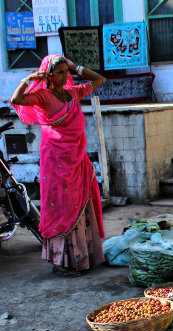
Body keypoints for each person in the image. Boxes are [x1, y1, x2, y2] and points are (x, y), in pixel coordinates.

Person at [10, 55, 106, 277]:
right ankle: (61, 262)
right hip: (56, 160)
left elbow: (100, 80)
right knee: (61, 207)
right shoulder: (42, 96)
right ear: (49, 75)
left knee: (79, 205)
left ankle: (82, 257)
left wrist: (77, 67)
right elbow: (17, 100)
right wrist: (29, 79)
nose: (66, 75)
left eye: (66, 71)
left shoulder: (73, 93)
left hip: (76, 157)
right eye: (61, 72)